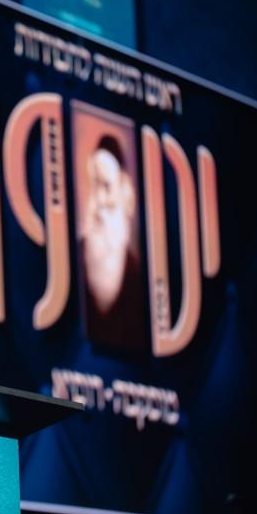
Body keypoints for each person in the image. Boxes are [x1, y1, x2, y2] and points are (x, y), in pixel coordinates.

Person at [78, 135, 145, 352]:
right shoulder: (71, 261)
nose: (99, 202)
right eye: (94, 186)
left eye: (106, 186)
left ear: (126, 195)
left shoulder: (140, 277)